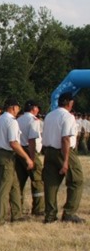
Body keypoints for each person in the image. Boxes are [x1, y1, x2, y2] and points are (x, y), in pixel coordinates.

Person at [42, 92, 85, 223]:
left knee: (51, 183)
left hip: (49, 151)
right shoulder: (68, 116)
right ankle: (69, 213)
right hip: (63, 151)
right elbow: (65, 138)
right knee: (76, 180)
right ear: (69, 103)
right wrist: (66, 161)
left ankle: (50, 215)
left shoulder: (49, 115)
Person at [0, 98, 33, 224]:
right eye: (18, 108)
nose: (18, 110)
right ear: (14, 108)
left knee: (15, 186)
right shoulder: (12, 121)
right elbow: (13, 143)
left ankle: (17, 214)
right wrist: (27, 158)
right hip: (7, 156)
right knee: (4, 188)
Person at [16, 100, 45, 216]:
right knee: (37, 180)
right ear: (34, 108)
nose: (38, 110)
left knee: (19, 181)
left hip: (19, 151)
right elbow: (32, 140)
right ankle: (38, 208)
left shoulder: (18, 120)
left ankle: (17, 207)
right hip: (29, 151)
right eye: (37, 108)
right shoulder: (33, 120)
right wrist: (32, 158)